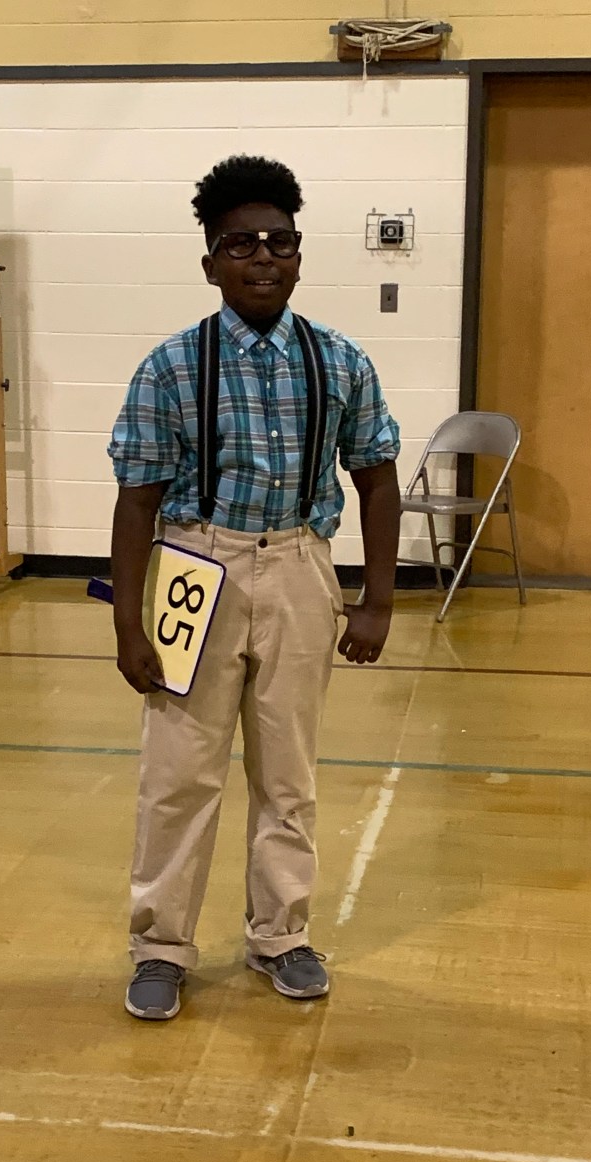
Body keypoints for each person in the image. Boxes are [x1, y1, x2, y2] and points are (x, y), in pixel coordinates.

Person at [108, 154, 401, 1021]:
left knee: (288, 770)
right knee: (179, 772)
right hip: (196, 565)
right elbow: (137, 500)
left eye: (279, 242)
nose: (263, 257)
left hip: (302, 567)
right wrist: (129, 624)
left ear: (300, 257)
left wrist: (377, 599)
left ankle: (281, 934)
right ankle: (160, 945)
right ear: (211, 263)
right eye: (242, 244)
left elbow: (377, 479)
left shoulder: (339, 360)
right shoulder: (172, 366)